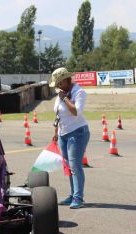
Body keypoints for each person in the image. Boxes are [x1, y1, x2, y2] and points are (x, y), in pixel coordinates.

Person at [49, 67, 90, 209]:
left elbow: (76, 112)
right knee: (68, 166)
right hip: (63, 134)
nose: (57, 87)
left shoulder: (79, 92)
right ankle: (72, 195)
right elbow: (58, 114)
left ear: (66, 80)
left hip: (77, 132)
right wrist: (56, 131)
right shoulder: (61, 93)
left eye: (59, 84)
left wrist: (65, 98)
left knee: (75, 166)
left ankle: (78, 198)